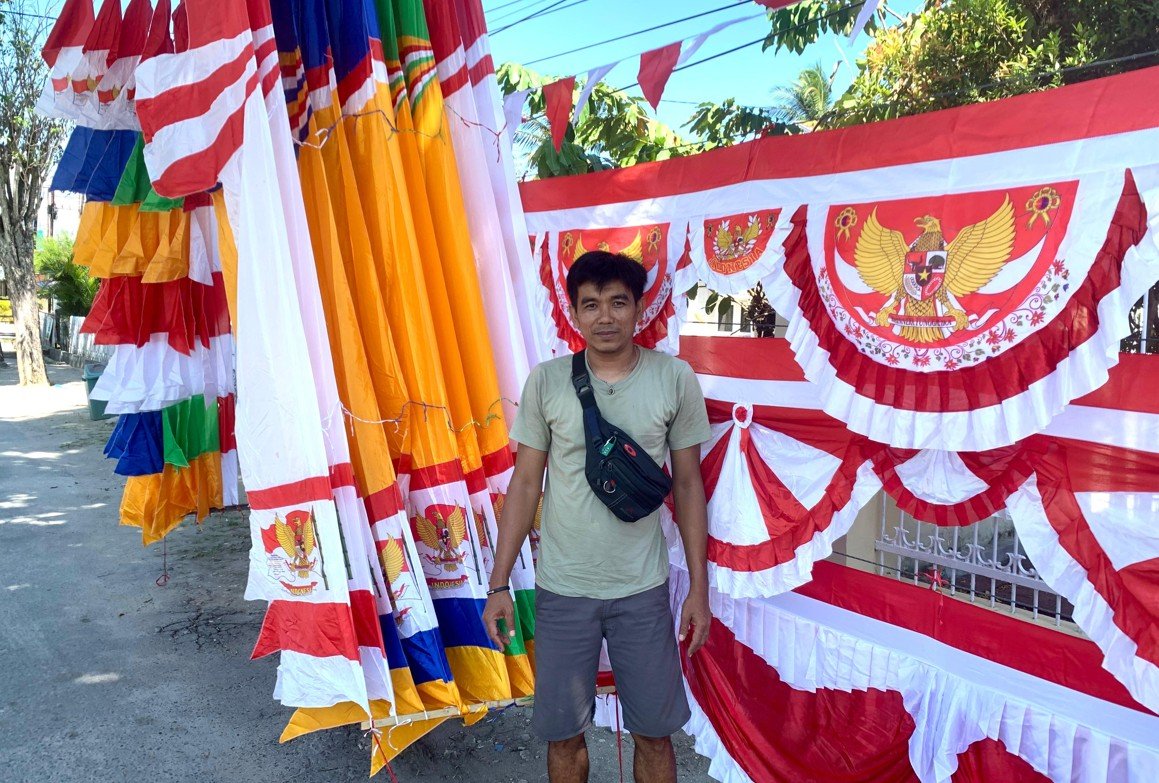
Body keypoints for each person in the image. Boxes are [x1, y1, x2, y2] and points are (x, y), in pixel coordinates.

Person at [483, 250, 712, 783]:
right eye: (591, 305)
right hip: (564, 589)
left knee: (655, 734)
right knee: (563, 736)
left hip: (643, 589)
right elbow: (524, 484)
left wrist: (698, 589)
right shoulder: (546, 381)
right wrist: (498, 585)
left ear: (639, 309)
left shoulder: (674, 379)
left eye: (618, 303)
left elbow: (688, 485)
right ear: (574, 313)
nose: (605, 317)